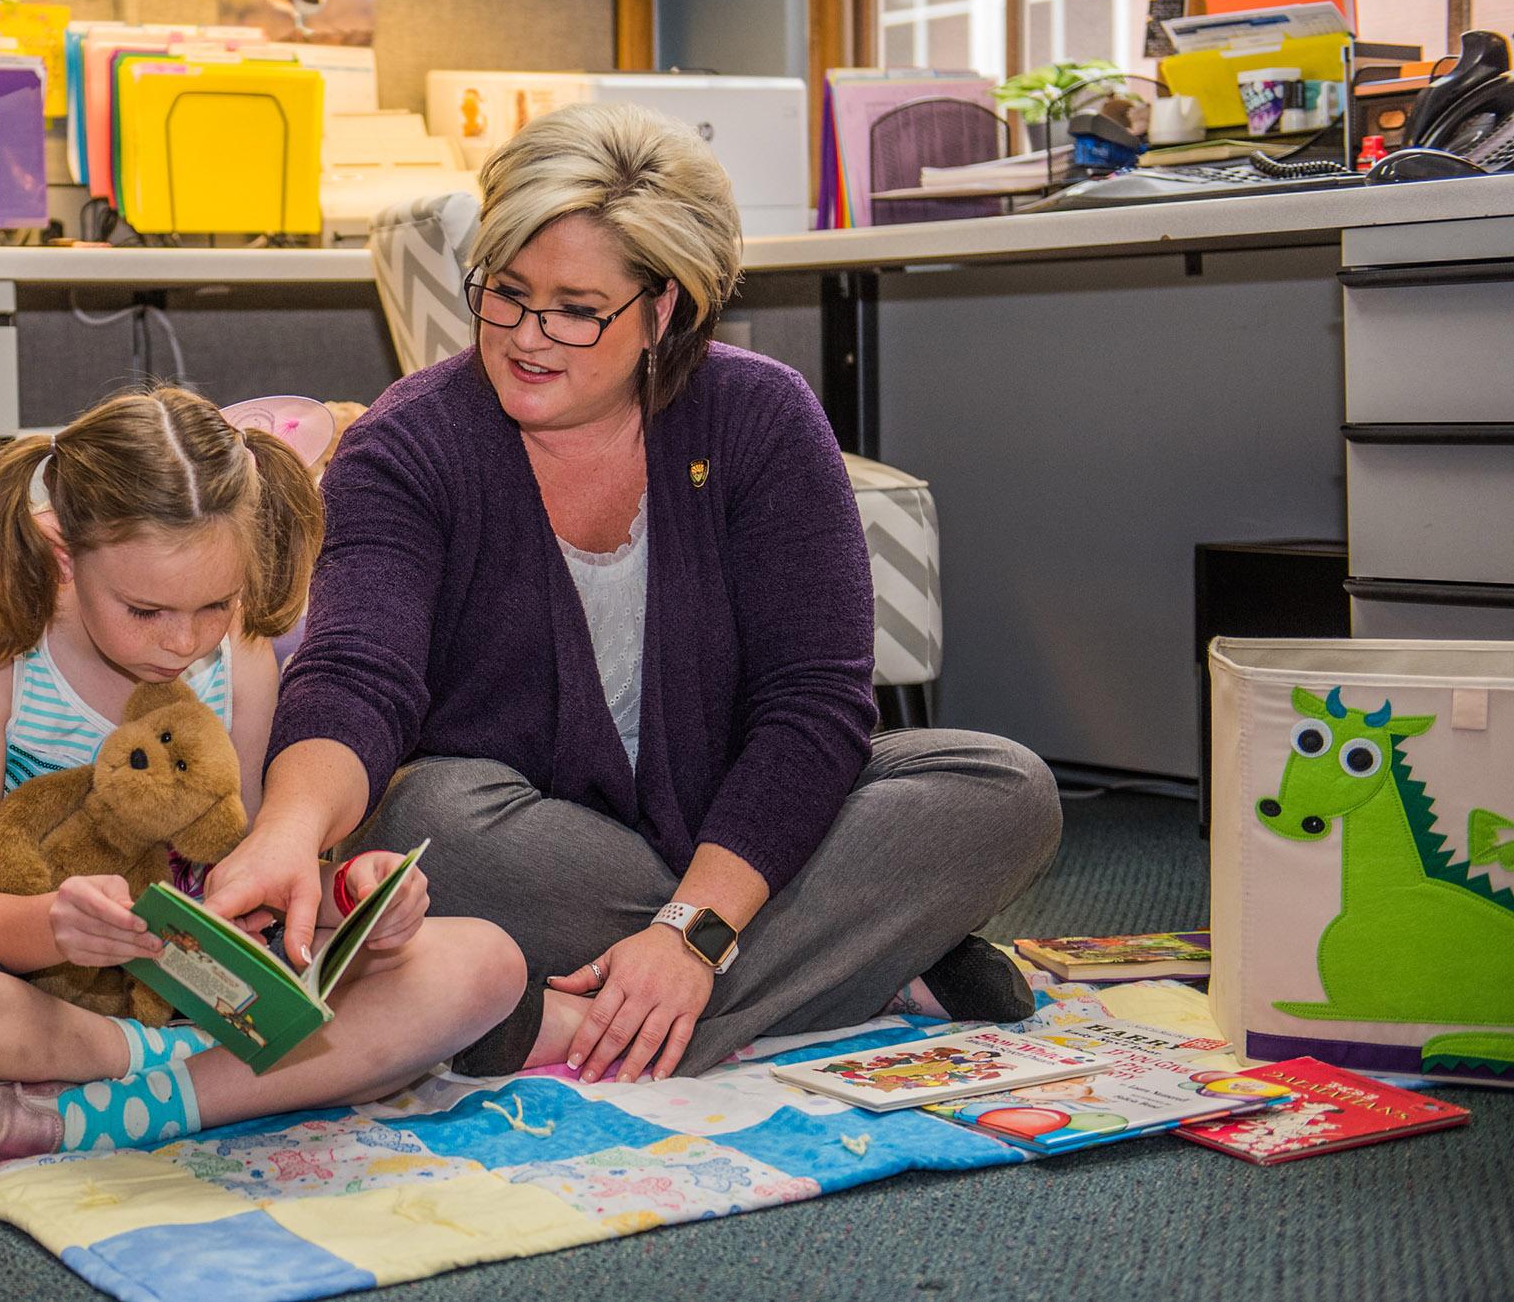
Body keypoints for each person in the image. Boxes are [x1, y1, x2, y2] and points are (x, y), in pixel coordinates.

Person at [205, 103, 1062, 1086]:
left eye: (576, 308)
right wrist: (286, 828)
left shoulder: (759, 417)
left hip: (733, 816)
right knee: (427, 818)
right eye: (505, 293)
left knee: (1001, 788)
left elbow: (811, 710)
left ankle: (541, 1019)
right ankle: (857, 960)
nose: (527, 337)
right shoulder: (411, 442)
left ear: (666, 311)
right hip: (535, 839)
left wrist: (691, 932)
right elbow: (358, 673)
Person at [0, 388, 525, 1176]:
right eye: (144, 611)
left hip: (197, 993)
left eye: (215, 603)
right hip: (30, 991)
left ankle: (89, 1113)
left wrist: (347, 894)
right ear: (65, 554)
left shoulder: (240, 652)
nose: (183, 642)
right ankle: (181, 1074)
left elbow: (233, 873)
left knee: (488, 962)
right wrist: (55, 926)